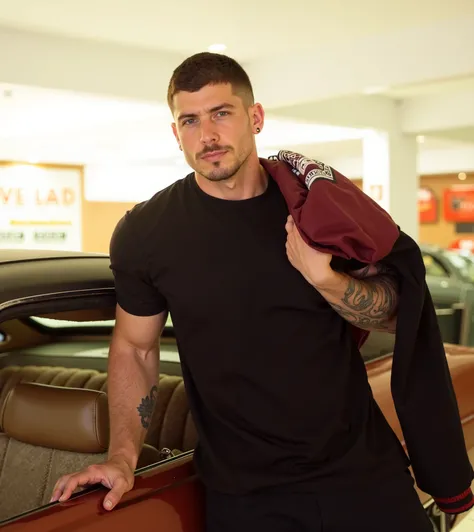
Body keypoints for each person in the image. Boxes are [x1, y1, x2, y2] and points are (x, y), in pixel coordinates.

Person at [51, 52, 436, 531]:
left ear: (255, 118)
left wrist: (327, 280)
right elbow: (135, 347)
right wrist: (122, 459)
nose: (207, 135)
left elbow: (399, 315)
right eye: (189, 120)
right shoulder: (146, 233)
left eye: (221, 113)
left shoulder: (315, 209)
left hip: (363, 475)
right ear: (176, 133)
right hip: (247, 498)